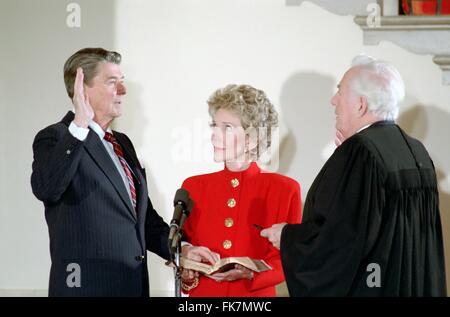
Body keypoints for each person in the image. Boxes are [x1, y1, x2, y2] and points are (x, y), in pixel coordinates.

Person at [261, 54, 447, 296]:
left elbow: (341, 241)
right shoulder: (414, 150)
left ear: (361, 104)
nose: (333, 100)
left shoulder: (361, 153)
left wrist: (287, 237)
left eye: (340, 92)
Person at [31, 48, 170, 296]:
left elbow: (142, 219)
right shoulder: (57, 137)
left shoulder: (122, 143)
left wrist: (180, 249)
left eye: (122, 82)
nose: (123, 91)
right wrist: (80, 126)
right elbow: (46, 188)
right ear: (82, 88)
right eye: (112, 82)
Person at [179, 84, 302, 296]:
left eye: (227, 127)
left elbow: (291, 257)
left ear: (252, 138)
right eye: (214, 126)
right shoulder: (193, 187)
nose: (214, 135)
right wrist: (187, 266)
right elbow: (182, 247)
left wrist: (252, 272)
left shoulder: (284, 189)